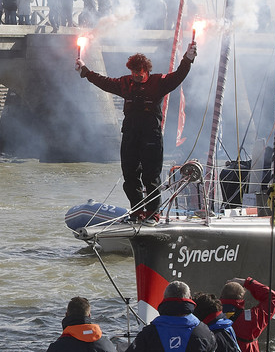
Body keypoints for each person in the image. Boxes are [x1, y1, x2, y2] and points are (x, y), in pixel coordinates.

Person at [77, 42, 197, 220]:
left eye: (139, 75)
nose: (135, 77)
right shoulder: (126, 83)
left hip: (151, 137)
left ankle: (152, 213)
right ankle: (137, 210)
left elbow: (178, 76)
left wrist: (187, 59)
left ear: (146, 71)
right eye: (133, 74)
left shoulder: (159, 82)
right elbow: (105, 82)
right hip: (130, 135)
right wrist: (86, 72)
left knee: (151, 177)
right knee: (130, 176)